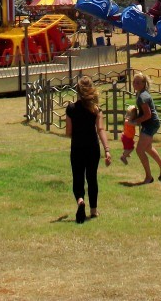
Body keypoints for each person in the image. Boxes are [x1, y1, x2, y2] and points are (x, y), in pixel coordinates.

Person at [65, 76, 111, 223]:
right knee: (92, 178)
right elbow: (101, 129)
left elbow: (68, 132)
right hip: (93, 147)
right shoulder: (96, 110)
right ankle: (93, 210)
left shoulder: (71, 109)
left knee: (78, 177)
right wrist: (107, 150)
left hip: (77, 147)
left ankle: (80, 201)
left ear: (77, 90)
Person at [132, 71, 161, 184]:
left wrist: (135, 121)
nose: (135, 84)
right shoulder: (141, 94)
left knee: (139, 150)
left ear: (143, 84)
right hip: (151, 123)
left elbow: (148, 115)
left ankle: (149, 177)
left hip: (150, 124)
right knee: (147, 148)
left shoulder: (142, 96)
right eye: (134, 82)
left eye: (138, 82)